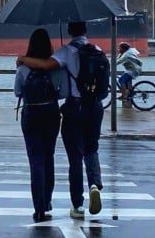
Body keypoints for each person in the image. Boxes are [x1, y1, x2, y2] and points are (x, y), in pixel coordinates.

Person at [18, 21, 104, 219]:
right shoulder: (97, 49)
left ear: (69, 31)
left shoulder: (67, 51)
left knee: (75, 157)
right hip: (96, 107)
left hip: (75, 107)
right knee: (92, 148)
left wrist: (23, 59)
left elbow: (46, 64)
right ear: (85, 31)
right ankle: (94, 183)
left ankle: (78, 205)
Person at [14, 28, 66, 223]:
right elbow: (63, 93)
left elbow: (17, 91)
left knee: (35, 159)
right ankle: (47, 201)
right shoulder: (57, 67)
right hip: (51, 113)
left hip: (31, 113)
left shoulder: (22, 68)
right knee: (48, 157)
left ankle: (38, 206)